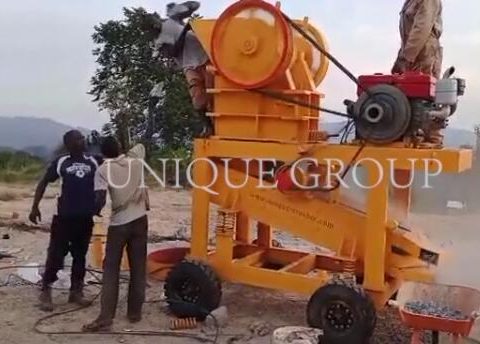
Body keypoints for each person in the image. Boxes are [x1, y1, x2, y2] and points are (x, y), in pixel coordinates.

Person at [82, 137, 150, 332]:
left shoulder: (103, 169)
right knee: (138, 266)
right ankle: (134, 313)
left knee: (111, 269)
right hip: (140, 220)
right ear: (120, 148)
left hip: (119, 223)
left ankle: (105, 317)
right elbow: (140, 146)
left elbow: (101, 199)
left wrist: (94, 211)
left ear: (102, 153)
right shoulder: (135, 161)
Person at [29, 130, 100, 312]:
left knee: (79, 256)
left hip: (85, 218)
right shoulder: (61, 162)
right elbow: (43, 182)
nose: (82, 140)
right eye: (78, 139)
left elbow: (108, 174)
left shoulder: (93, 161)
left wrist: (99, 204)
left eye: (82, 138)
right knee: (56, 255)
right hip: (64, 218)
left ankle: (76, 291)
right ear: (69, 144)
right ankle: (46, 290)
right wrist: (35, 206)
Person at [153, 1, 214, 136]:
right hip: (189, 66)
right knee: (198, 97)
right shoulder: (166, 34)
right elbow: (172, 52)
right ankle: (207, 125)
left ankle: (218, 124)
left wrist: (186, 8)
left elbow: (196, 4)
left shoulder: (189, 26)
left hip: (206, 60)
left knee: (214, 94)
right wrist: (185, 30)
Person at [392, 0, 443, 79]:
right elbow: (407, 35)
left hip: (423, 55)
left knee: (420, 88)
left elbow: (421, 28)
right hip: (412, 55)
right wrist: (401, 58)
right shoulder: (410, 2)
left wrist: (406, 58)